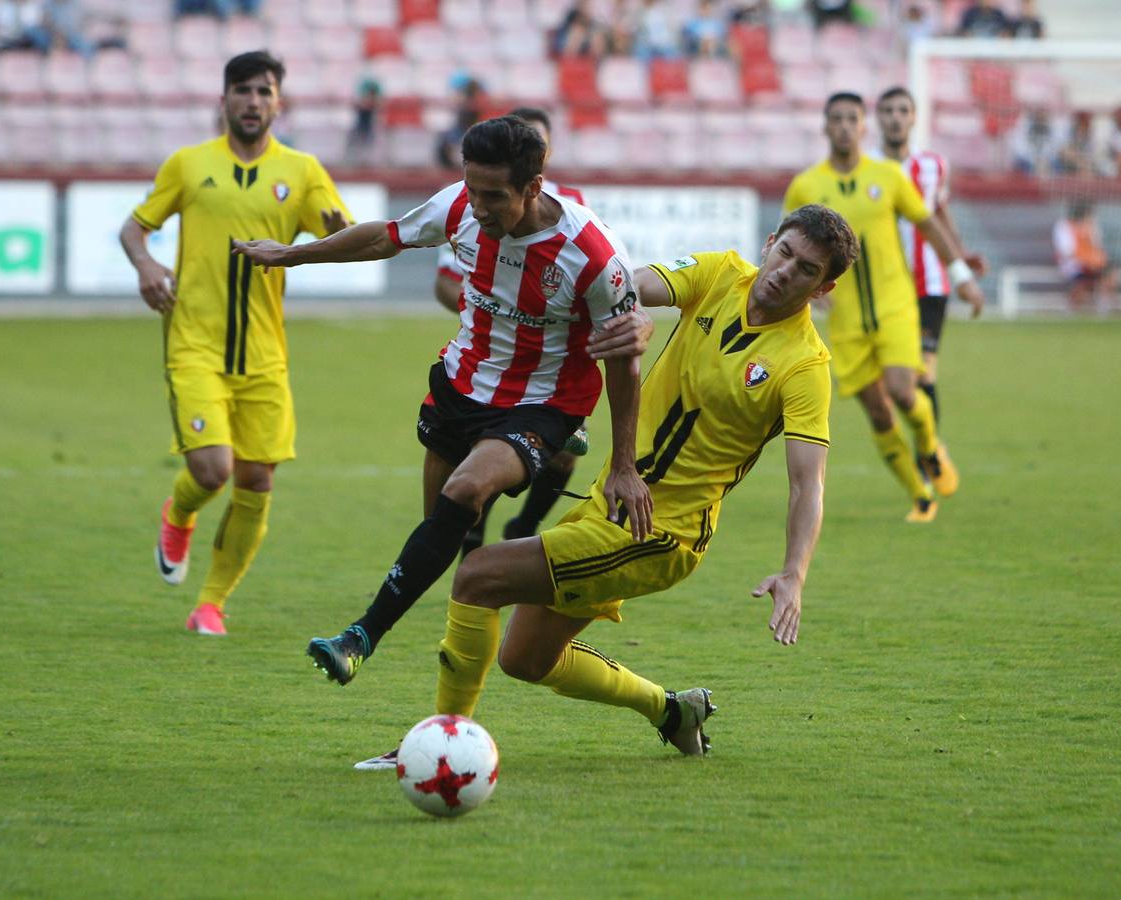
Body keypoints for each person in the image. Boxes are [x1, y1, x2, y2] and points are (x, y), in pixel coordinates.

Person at [355, 204, 858, 770]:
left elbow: (806, 483)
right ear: (770, 242)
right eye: (785, 252)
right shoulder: (719, 274)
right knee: (524, 657)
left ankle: (442, 746)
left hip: (662, 532)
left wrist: (795, 573)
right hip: (611, 505)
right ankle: (671, 710)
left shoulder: (805, 365)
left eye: (807, 269)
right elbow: (630, 286)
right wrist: (631, 312)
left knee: (477, 575)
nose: (786, 270)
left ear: (824, 287)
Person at [232, 116, 655, 685]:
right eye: (471, 189)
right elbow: (386, 236)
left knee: (465, 490)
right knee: (448, 530)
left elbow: (626, 361)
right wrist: (293, 255)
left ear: (534, 188)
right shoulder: (460, 205)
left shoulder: (592, 255)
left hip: (543, 402)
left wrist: (625, 465)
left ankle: (360, 636)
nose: (477, 207)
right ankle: (462, 667)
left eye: (494, 196)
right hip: (461, 386)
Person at [119, 51, 353, 636]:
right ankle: (180, 512)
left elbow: (341, 235)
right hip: (194, 342)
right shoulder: (188, 164)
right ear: (223, 100)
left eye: (264, 91)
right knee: (212, 469)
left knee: (257, 481)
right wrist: (146, 264)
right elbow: (134, 226)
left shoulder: (301, 172)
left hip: (265, 355)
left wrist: (332, 232)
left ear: (279, 102)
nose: (253, 101)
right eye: (243, 90)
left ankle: (212, 604)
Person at [782, 92, 985, 522]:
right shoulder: (806, 185)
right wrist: (801, 292)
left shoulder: (888, 176)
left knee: (901, 390)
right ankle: (920, 495)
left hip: (895, 305)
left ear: (862, 126)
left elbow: (928, 222)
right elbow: (787, 245)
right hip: (846, 316)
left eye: (851, 119)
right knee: (877, 411)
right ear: (824, 125)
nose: (843, 126)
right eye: (835, 118)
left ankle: (929, 446)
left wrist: (962, 277)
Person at [431, 108, 593, 557]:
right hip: (494, 357)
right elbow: (448, 281)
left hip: (553, 364)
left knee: (564, 452)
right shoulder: (479, 204)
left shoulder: (573, 208)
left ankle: (524, 527)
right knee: (475, 464)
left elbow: (590, 283)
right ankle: (473, 542)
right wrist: (493, 315)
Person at [874, 86, 987, 428]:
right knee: (893, 380)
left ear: (913, 118)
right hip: (884, 284)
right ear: (878, 118)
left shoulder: (933, 165)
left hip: (929, 282)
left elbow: (939, 211)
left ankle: (929, 455)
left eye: (903, 111)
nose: (896, 118)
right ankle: (917, 449)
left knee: (924, 369)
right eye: (889, 111)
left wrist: (960, 256)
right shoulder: (865, 167)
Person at [1053, 199, 1119, 312]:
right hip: (1073, 264)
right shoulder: (1064, 226)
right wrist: (1088, 261)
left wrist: (1097, 260)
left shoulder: (1091, 225)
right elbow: (1067, 251)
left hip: (1092, 263)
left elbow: (1097, 246)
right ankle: (1073, 309)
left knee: (1111, 274)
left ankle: (1105, 307)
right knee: (1083, 283)